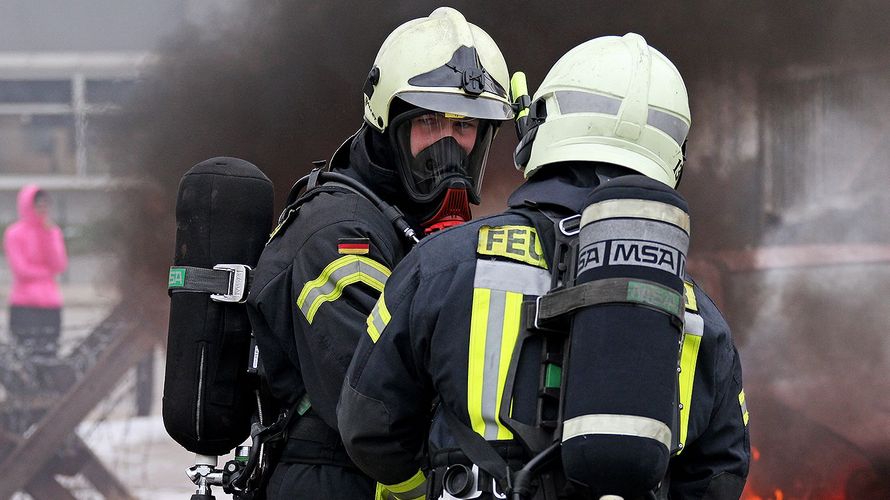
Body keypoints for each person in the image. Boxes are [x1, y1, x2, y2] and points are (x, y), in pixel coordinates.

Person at [338, 34, 750, 499]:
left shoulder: (440, 266)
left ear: (542, 125)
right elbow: (719, 474)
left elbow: (369, 427)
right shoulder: (698, 315)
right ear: (672, 155)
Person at [246, 7, 514, 499]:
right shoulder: (337, 236)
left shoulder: (408, 224)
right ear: (387, 122)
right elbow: (373, 400)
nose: (449, 146)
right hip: (332, 479)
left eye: (466, 127)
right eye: (430, 123)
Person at [4, 185, 68, 359]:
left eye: (45, 204)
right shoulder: (14, 233)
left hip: (50, 303)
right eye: (38, 204)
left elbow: (59, 264)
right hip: (24, 303)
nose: (42, 208)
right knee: (24, 355)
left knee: (49, 353)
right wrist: (46, 273)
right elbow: (21, 269)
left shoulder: (52, 232)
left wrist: (48, 236)